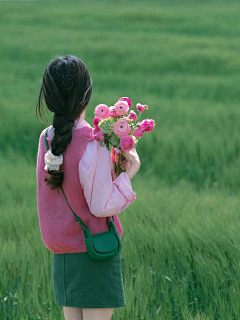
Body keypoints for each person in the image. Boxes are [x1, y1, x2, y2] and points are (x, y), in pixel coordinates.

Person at [36, 55, 141, 320]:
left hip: (63, 257)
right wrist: (129, 172)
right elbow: (101, 206)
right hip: (95, 251)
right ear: (87, 94)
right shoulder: (93, 142)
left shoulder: (47, 138)